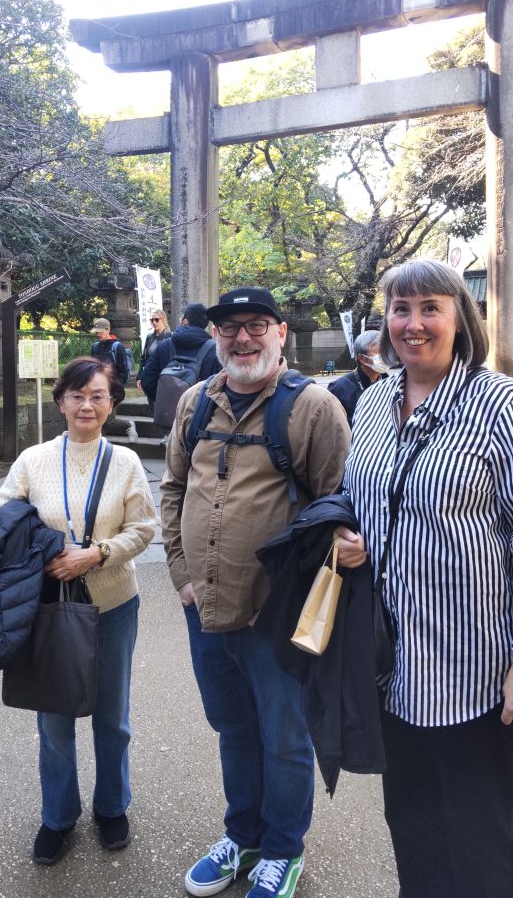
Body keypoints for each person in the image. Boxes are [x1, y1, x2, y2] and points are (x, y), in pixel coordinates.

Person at [160, 287, 350, 898]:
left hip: (277, 615)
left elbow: (336, 504)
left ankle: (283, 849)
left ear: (280, 333)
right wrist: (182, 576)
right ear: (215, 336)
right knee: (233, 727)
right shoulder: (195, 402)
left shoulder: (312, 407)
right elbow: (173, 489)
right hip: (205, 606)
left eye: (256, 325)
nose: (242, 338)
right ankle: (242, 836)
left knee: (284, 737)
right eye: (230, 327)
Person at [334, 259, 513, 898]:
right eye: (400, 309)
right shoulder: (373, 401)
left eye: (430, 307)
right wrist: (343, 535)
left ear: (461, 318)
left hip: (474, 667)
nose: (413, 323)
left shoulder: (499, 406)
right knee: (411, 824)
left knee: (482, 835)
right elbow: (353, 496)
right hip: (392, 663)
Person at [0, 357, 156, 866]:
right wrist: (44, 549)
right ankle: (58, 815)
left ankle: (112, 806)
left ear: (112, 403)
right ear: (61, 401)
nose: (87, 405)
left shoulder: (125, 462)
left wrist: (97, 553)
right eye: (77, 395)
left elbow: (143, 528)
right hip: (51, 607)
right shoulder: (33, 459)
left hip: (113, 604)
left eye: (98, 395)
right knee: (54, 718)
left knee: (113, 716)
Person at [140, 302, 221, 408]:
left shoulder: (165, 345)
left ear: (185, 321)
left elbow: (147, 380)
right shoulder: (213, 349)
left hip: (168, 412)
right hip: (199, 413)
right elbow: (221, 386)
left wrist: (165, 399)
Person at [327, 329, 388, 426]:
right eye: (380, 353)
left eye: (386, 352)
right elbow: (332, 426)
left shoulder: (391, 383)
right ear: (362, 358)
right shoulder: (339, 388)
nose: (386, 357)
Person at [136, 309, 171, 392]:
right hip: (150, 377)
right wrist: (139, 377)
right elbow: (144, 359)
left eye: (157, 320)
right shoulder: (149, 337)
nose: (154, 322)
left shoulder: (169, 336)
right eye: (152, 320)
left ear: (163, 319)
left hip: (164, 376)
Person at [91, 317, 129, 386]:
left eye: (100, 332)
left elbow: (123, 372)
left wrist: (116, 387)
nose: (98, 335)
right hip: (97, 386)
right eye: (96, 332)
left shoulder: (118, 346)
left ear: (108, 330)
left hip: (113, 387)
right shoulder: (95, 346)